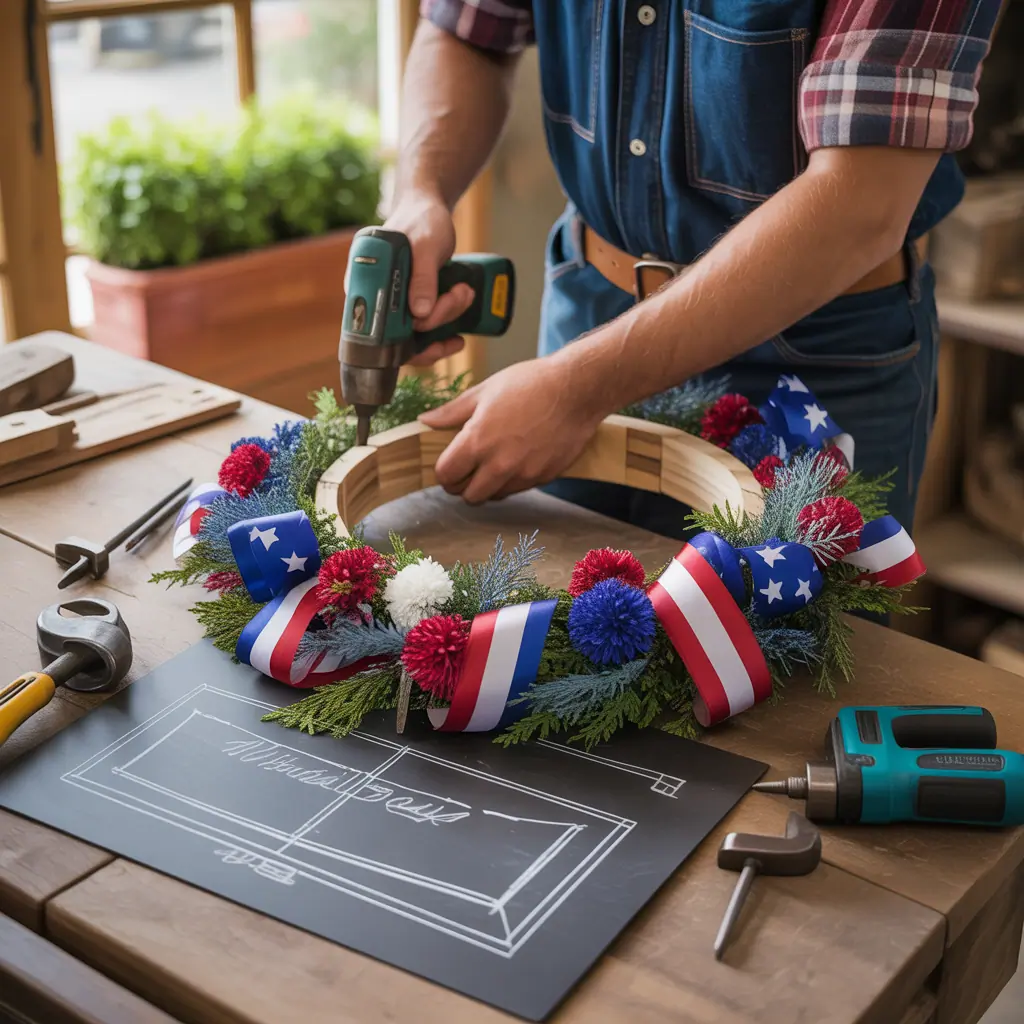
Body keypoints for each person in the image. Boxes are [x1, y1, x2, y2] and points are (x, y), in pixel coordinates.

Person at [387, 0, 1003, 539]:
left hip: (813, 356)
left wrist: (577, 389)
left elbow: (860, 206)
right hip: (588, 312)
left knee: (786, 638)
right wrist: (422, 192)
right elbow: (469, 28)